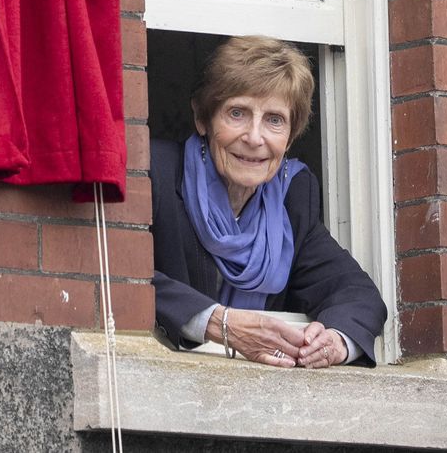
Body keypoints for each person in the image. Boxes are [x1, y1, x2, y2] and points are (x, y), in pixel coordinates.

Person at [151, 36, 387, 367]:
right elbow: (123, 280)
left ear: (290, 137)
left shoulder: (290, 201)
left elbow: (359, 295)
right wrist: (222, 324)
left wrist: (334, 342)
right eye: (237, 113)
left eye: (274, 120)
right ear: (203, 118)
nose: (255, 137)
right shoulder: (156, 174)